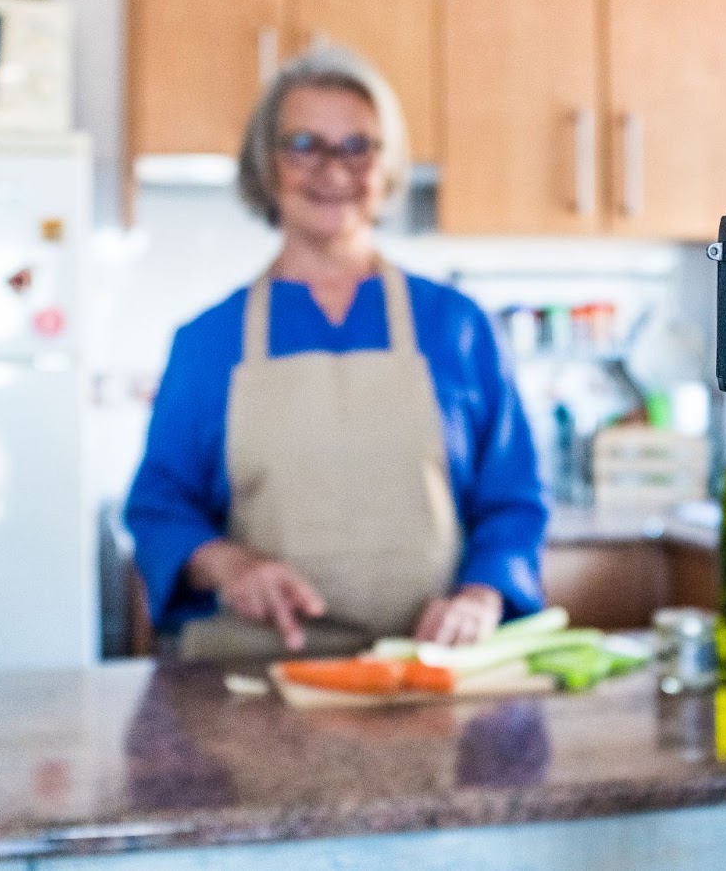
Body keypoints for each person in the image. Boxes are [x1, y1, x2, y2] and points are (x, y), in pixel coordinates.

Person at [124, 47, 548, 660]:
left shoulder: (457, 326)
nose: (333, 169)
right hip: (260, 679)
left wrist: (481, 596)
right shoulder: (209, 341)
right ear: (266, 166)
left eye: (358, 146)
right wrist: (232, 566)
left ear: (388, 167)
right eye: (304, 144)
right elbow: (161, 509)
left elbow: (513, 499)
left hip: (425, 676)